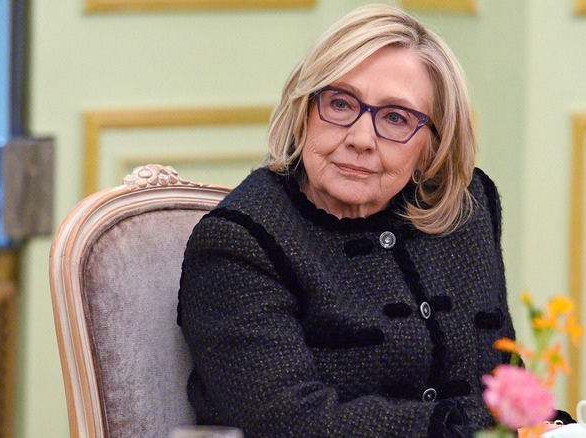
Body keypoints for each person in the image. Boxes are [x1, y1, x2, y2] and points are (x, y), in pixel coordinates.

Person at [177, 4, 558, 437]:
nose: (360, 139)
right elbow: (286, 421)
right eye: (340, 103)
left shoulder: (463, 208)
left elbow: (500, 378)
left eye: (396, 118)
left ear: (431, 147)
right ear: (304, 111)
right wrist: (460, 428)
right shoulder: (239, 242)